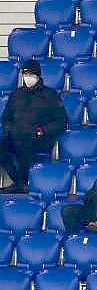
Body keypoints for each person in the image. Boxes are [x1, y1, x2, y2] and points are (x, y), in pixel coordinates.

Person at [0, 59, 66, 193]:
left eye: (31, 74)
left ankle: (21, 183)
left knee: (24, 144)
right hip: (15, 135)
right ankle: (20, 182)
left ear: (38, 76)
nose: (27, 77)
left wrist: (42, 130)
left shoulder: (50, 95)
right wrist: (10, 129)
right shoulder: (16, 94)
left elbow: (61, 121)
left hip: (38, 137)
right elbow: (6, 117)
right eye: (25, 74)